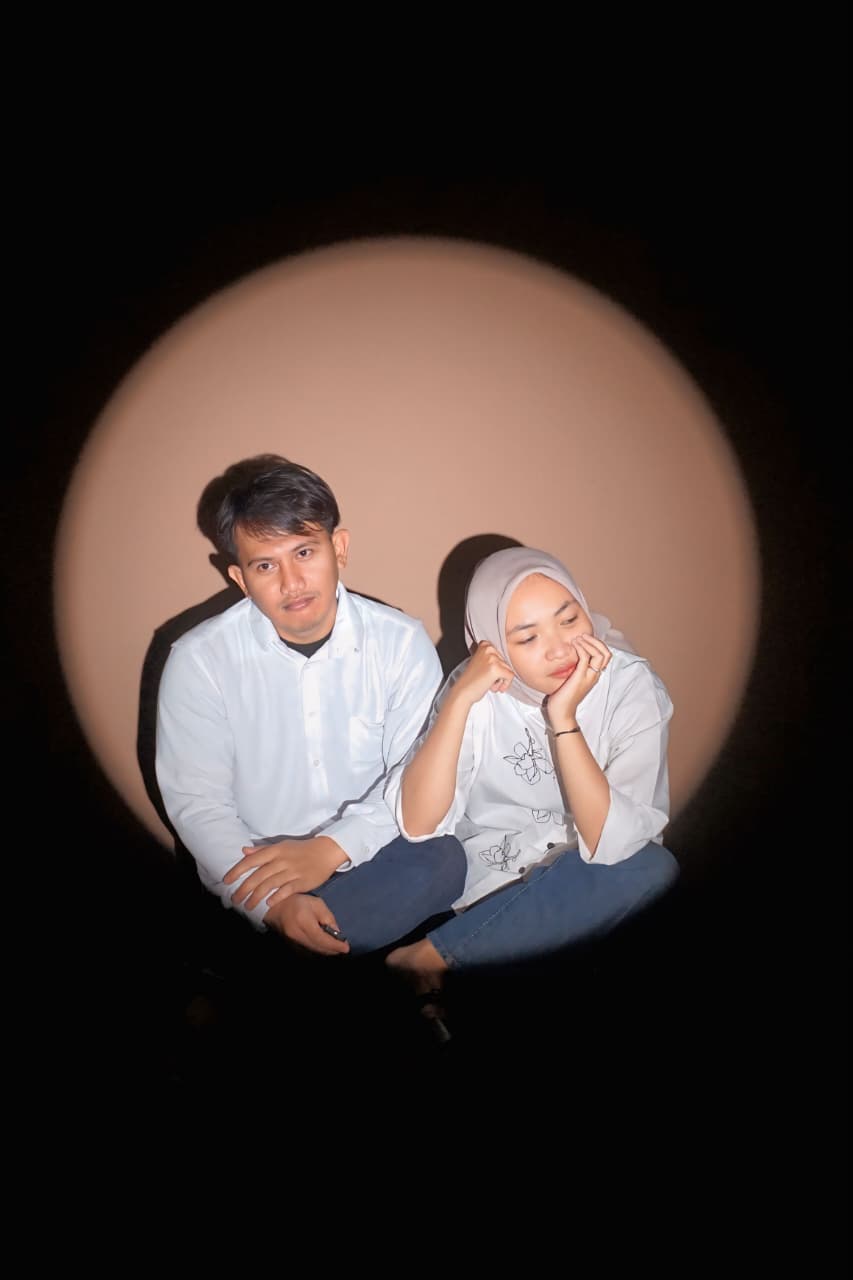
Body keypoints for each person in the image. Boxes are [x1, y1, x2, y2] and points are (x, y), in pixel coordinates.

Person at [154, 455, 466, 956]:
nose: (291, 582)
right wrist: (275, 905)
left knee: (444, 856)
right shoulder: (199, 661)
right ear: (240, 577)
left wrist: (331, 849)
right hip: (259, 861)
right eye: (265, 565)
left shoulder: (400, 643)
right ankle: (314, 943)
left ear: (338, 548)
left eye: (304, 552)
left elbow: (414, 781)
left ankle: (304, 951)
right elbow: (199, 804)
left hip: (375, 855)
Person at [381, 545, 680, 994]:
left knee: (652, 869)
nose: (559, 650)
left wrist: (564, 720)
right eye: (527, 638)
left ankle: (431, 959)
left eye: (569, 619)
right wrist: (459, 700)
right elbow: (419, 823)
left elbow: (613, 844)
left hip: (592, 880)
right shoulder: (478, 689)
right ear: (492, 647)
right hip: (490, 883)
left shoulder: (629, 685)